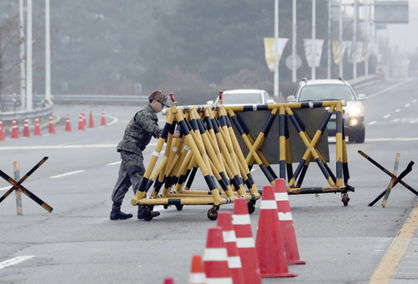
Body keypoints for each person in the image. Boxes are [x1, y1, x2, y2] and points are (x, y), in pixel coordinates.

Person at [110, 90, 172, 220]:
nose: (162, 108)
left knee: (124, 180)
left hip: (130, 149)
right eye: (161, 104)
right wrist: (171, 133)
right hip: (131, 148)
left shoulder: (149, 114)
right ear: (154, 101)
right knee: (139, 177)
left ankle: (115, 210)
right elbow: (154, 130)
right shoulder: (144, 114)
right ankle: (143, 209)